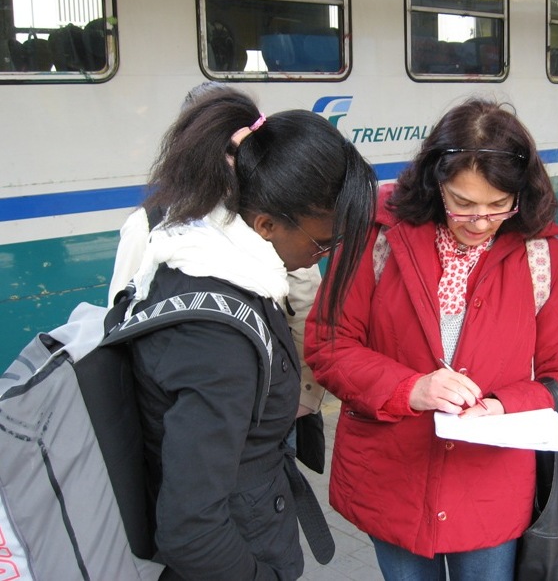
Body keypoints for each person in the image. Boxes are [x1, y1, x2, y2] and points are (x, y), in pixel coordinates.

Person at [304, 97, 558, 579]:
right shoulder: (378, 235)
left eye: (499, 206)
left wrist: (503, 405)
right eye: (463, 204)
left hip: (489, 486)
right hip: (393, 479)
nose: (480, 223)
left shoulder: (542, 254)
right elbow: (329, 344)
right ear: (435, 183)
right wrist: (409, 389)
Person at [126, 86, 377, 580]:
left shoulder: (216, 263)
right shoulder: (217, 341)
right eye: (324, 243)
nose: (324, 255)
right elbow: (191, 529)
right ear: (265, 224)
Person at [108, 82, 326, 420]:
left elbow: (306, 303)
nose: (236, 161)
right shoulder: (148, 226)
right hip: (183, 410)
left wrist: (302, 398)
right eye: (226, 147)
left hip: (270, 403)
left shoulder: (272, 212)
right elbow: (121, 323)